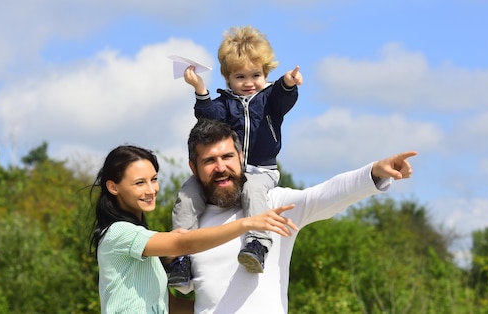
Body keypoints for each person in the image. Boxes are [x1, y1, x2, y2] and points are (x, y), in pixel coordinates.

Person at [171, 118, 417, 313]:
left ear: (241, 158)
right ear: (194, 168)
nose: (221, 167)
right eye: (209, 161)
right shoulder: (189, 228)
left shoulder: (272, 204)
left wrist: (374, 172)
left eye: (227, 157)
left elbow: (325, 195)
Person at [89, 144, 298, 314]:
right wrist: (247, 223)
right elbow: (184, 243)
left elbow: (168, 305)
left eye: (153, 180)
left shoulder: (144, 245)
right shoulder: (118, 233)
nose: (151, 190)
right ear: (113, 187)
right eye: (139, 183)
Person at [172, 25, 303, 279]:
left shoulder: (269, 99)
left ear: (265, 74)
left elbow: (283, 99)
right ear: (228, 79)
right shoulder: (224, 103)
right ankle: (181, 255)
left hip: (261, 170)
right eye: (240, 77)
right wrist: (200, 88)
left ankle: (258, 244)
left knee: (252, 189)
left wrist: (288, 83)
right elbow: (207, 119)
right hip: (229, 171)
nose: (248, 83)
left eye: (255, 75)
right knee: (187, 193)